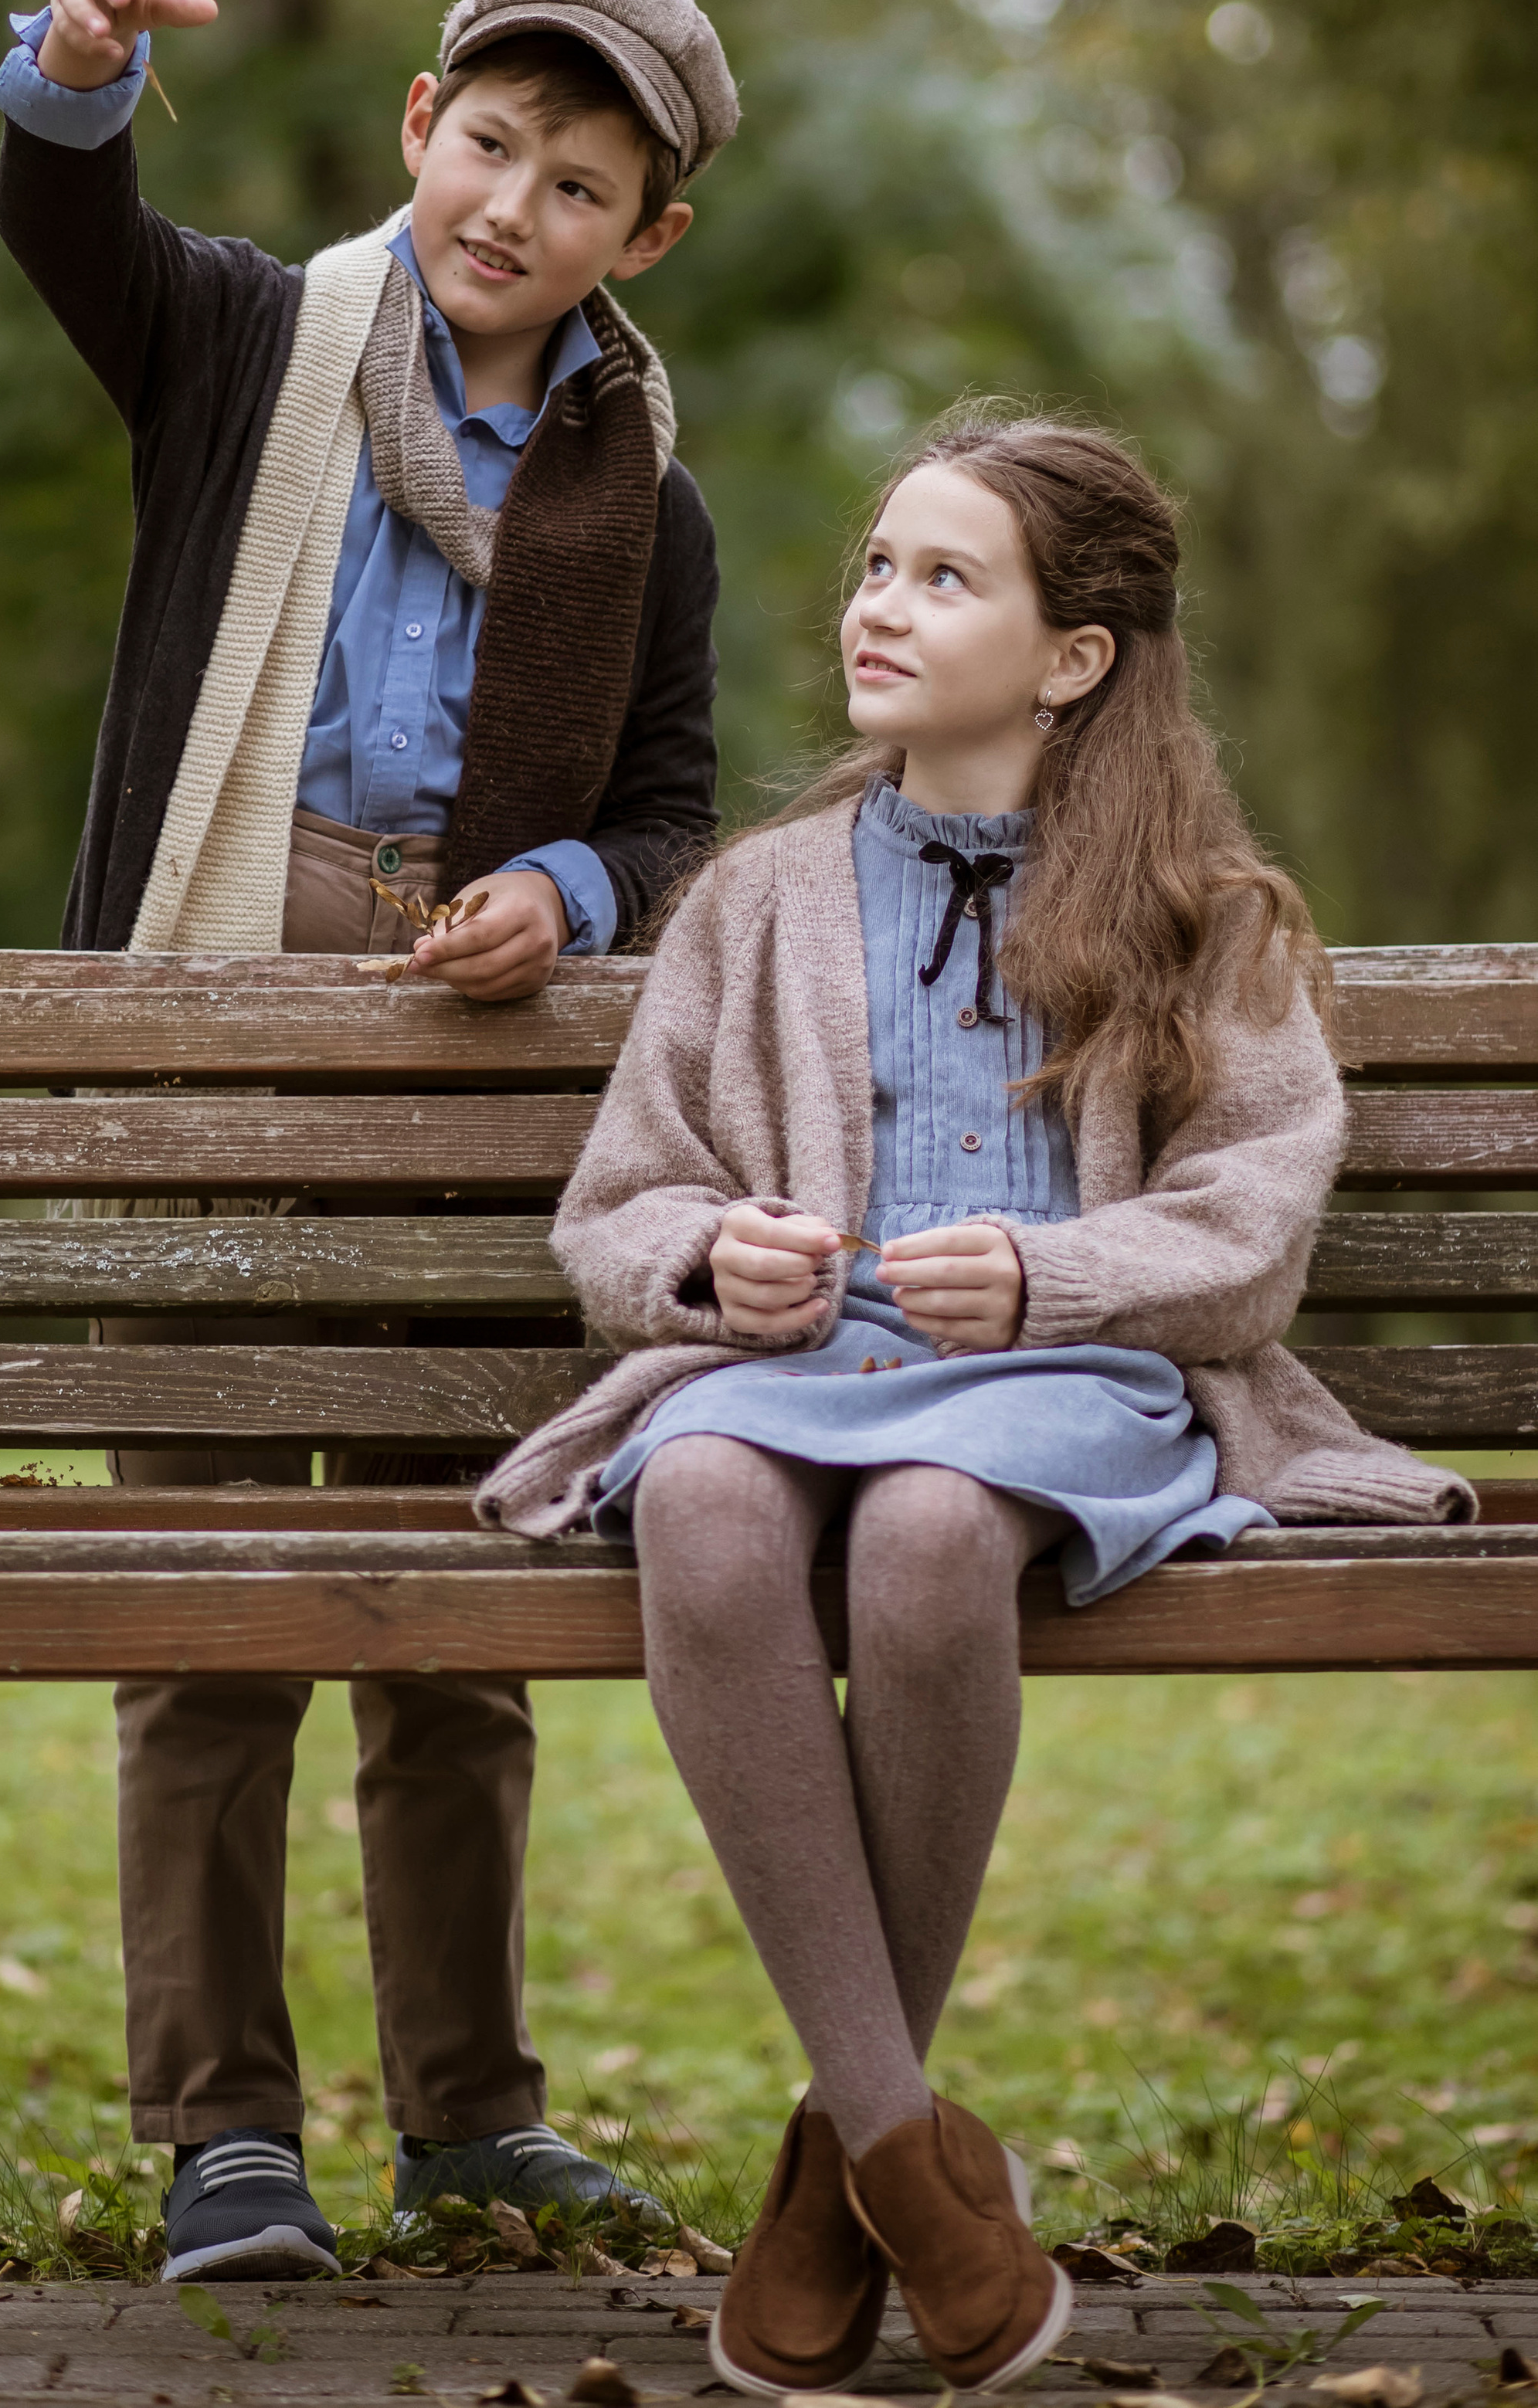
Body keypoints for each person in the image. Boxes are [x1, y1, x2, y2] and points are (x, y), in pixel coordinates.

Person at [476, 409, 1475, 2394]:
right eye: (873, 563)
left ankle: (829, 2162)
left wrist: (1050, 1273)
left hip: (1064, 1385)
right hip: (787, 1374)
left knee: (933, 1541)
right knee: (696, 1505)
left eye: (945, 577)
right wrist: (709, 1260)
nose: (881, 605)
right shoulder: (758, 897)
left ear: (1072, 653)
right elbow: (620, 1208)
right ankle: (908, 2163)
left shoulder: (1206, 911)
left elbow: (1249, 1228)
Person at [0, 0, 736, 2278]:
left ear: (645, 237)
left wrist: (557, 887)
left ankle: (469, 2114)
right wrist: (80, 67)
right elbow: (65, 229)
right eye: (495, 142)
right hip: (219, 999)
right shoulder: (245, 348)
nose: (518, 203)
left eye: (582, 182)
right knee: (208, 1582)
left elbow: (671, 812)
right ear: (423, 121)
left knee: (459, 1606)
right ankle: (226, 2120)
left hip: (468, 1049)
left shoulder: (648, 507)